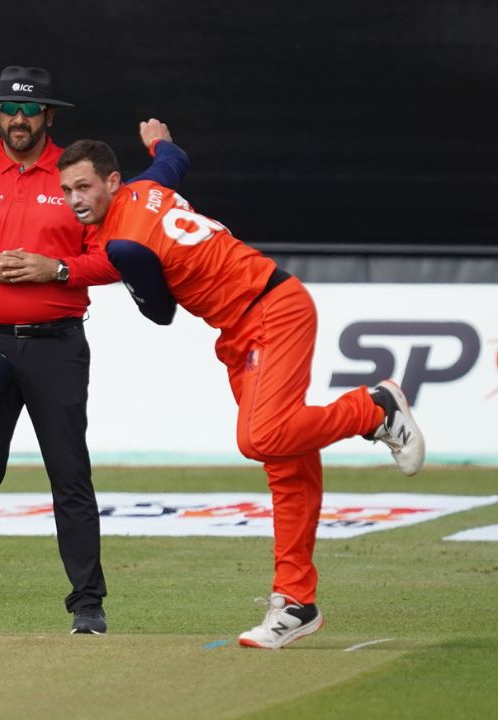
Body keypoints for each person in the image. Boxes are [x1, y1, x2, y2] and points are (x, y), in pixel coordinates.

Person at [56, 120, 425, 649]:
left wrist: (96, 270)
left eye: (83, 186)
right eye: (67, 189)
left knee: (261, 438)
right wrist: (158, 142)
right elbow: (175, 159)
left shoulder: (126, 245)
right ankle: (296, 602)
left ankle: (375, 409)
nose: (74, 199)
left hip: (272, 311)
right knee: (284, 461)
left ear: (112, 182)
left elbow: (160, 313)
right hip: (242, 327)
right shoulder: (148, 185)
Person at [0, 66, 125, 635]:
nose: (19, 119)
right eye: (10, 109)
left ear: (48, 116)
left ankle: (88, 605)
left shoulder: (75, 177)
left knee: (70, 476)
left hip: (56, 345)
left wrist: (54, 270)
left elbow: (112, 257)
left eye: (30, 110)